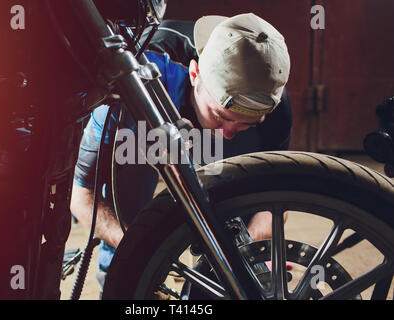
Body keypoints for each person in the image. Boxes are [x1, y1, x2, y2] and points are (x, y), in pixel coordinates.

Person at [70, 13, 292, 290]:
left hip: (196, 139)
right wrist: (142, 251)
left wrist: (245, 249)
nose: (228, 132)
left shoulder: (274, 106)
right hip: (148, 128)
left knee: (241, 206)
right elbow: (81, 194)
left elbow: (275, 200)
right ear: (194, 73)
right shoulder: (136, 82)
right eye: (221, 116)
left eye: (247, 123)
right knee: (130, 195)